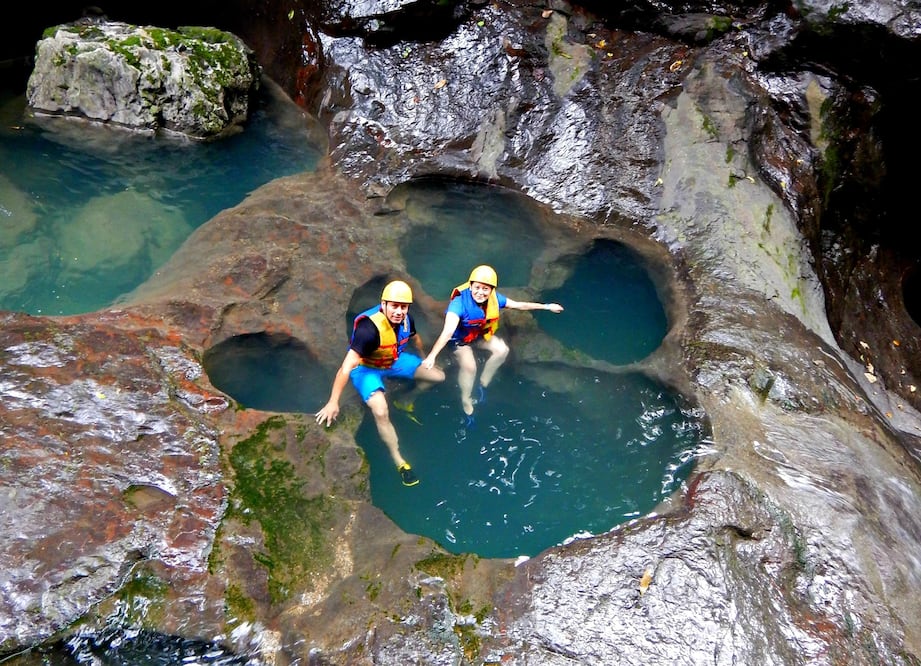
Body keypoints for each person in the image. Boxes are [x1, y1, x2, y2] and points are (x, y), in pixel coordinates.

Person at [315, 280, 445, 486]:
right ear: (384, 304)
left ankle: (405, 400)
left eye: (403, 307)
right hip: (366, 368)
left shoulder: (406, 320)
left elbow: (415, 339)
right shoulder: (369, 330)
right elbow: (346, 366)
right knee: (381, 410)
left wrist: (425, 358)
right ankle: (399, 460)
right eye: (394, 305)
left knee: (438, 377)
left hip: (393, 361)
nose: (398, 311)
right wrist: (333, 401)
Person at [422, 265, 563, 423]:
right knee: (470, 367)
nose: (481, 292)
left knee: (502, 350)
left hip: (479, 336)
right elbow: (448, 332)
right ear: (470, 286)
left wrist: (547, 307)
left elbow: (519, 305)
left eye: (485, 289)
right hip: (460, 341)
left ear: (491, 290)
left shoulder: (495, 299)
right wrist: (432, 356)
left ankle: (483, 382)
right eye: (477, 288)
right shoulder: (459, 304)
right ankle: (466, 398)